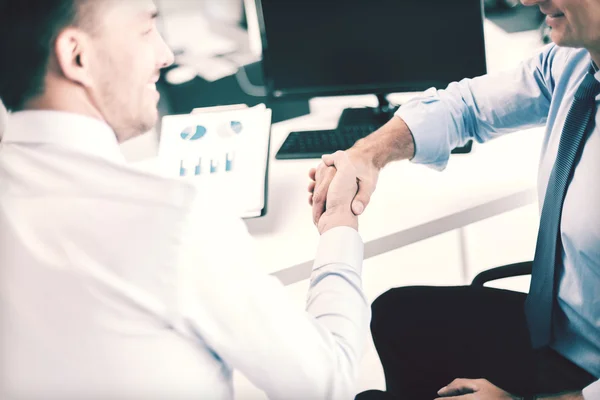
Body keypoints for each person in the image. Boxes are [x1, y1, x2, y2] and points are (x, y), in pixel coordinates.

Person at [0, 1, 370, 399]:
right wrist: (338, 228)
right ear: (77, 56)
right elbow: (327, 383)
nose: (165, 54)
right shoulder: (167, 219)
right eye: (145, 31)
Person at [309, 0, 600, 399]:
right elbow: (467, 106)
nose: (529, 0)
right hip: (562, 323)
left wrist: (538, 396)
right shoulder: (574, 64)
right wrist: (367, 156)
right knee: (396, 315)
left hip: (586, 370)